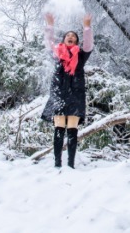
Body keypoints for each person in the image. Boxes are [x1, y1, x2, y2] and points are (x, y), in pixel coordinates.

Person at [40, 10, 93, 168]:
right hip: (59, 94)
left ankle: (70, 165)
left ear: (76, 42)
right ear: (63, 40)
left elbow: (88, 45)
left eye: (74, 36)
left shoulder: (81, 56)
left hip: (76, 95)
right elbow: (48, 42)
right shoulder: (56, 54)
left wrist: (87, 28)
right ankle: (57, 164)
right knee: (58, 129)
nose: (71, 37)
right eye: (68, 36)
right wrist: (50, 25)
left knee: (72, 130)